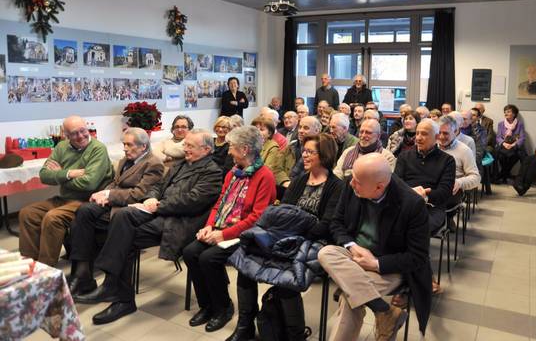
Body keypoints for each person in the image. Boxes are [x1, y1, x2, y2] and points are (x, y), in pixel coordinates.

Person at [74, 129, 223, 325]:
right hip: (158, 212)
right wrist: (152, 197)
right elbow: (158, 186)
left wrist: (159, 205)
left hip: (178, 221)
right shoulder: (181, 165)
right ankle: (117, 293)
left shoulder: (213, 172)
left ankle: (118, 294)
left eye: (190, 146)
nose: (184, 149)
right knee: (121, 225)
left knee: (123, 226)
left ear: (205, 149)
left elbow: (191, 201)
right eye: (184, 144)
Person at [228, 133, 343, 341]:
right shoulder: (299, 181)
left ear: (324, 155)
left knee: (286, 280)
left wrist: (295, 234)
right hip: (286, 236)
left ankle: (295, 335)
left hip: (312, 241)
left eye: (310, 152)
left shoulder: (336, 186)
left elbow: (327, 224)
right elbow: (284, 213)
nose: (304, 156)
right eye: (304, 151)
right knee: (245, 265)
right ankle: (244, 325)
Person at [318, 153, 432, 341]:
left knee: (350, 299)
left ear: (379, 187)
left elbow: (417, 257)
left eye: (358, 182)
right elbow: (336, 223)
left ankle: (385, 314)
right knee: (325, 252)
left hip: (389, 266)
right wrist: (353, 247)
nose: (352, 184)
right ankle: (385, 311)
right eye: (352, 179)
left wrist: (376, 263)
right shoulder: (353, 184)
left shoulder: (412, 204)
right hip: (353, 256)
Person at [183, 126, 276, 333]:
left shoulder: (265, 176)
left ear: (244, 149)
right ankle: (207, 305)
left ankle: (223, 307)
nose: (228, 151)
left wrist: (223, 234)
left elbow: (257, 218)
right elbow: (219, 204)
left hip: (245, 234)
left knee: (209, 258)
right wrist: (208, 226)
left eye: (232, 147)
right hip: (221, 227)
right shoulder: (233, 173)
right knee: (190, 252)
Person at [68, 128, 164, 295]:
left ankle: (104, 280)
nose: (125, 148)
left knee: (87, 221)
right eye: (124, 144)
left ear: (143, 146)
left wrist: (109, 195)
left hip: (131, 209)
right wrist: (103, 193)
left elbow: (139, 194)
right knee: (83, 211)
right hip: (115, 204)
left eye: (129, 144)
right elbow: (115, 183)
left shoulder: (153, 164)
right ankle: (82, 273)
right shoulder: (124, 161)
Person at [19, 116, 113, 267]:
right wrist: (69, 173)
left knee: (53, 217)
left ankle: (45, 268)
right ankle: (29, 264)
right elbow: (44, 175)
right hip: (64, 198)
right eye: (74, 133)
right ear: (66, 135)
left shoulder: (98, 148)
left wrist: (60, 175)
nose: (81, 136)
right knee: (27, 213)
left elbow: (89, 183)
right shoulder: (61, 147)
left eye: (83, 131)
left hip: (87, 201)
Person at [394, 119, 455, 234]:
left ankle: (415, 252)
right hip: (404, 203)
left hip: (431, 207)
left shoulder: (447, 160)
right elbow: (396, 183)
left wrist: (424, 196)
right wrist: (412, 194)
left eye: (424, 134)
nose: (418, 138)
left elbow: (445, 192)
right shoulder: (404, 156)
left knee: (416, 228)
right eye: (417, 133)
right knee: (386, 220)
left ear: (436, 137)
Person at [437, 115, 481, 213]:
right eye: (439, 132)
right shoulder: (433, 146)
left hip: (453, 189)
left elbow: (476, 177)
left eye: (445, 133)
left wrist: (460, 183)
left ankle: (444, 222)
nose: (441, 137)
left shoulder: (464, 150)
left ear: (456, 132)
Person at [277, 116, 322, 189]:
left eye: (306, 128)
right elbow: (277, 167)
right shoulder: (291, 145)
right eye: (300, 127)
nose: (301, 131)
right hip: (285, 186)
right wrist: (285, 181)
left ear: (317, 131)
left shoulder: (321, 150)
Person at [495, 104, 526, 183]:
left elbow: (522, 138)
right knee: (500, 155)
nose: (506, 113)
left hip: (514, 145)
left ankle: (503, 174)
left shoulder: (519, 124)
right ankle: (505, 174)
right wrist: (504, 143)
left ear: (514, 114)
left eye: (508, 112)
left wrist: (513, 145)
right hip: (504, 145)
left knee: (518, 154)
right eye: (505, 112)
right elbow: (498, 137)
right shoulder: (501, 124)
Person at [251, 116, 283, 185]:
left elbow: (267, 170)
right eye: (255, 129)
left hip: (262, 181)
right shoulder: (250, 144)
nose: (257, 132)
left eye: (261, 129)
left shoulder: (273, 147)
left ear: (269, 133)